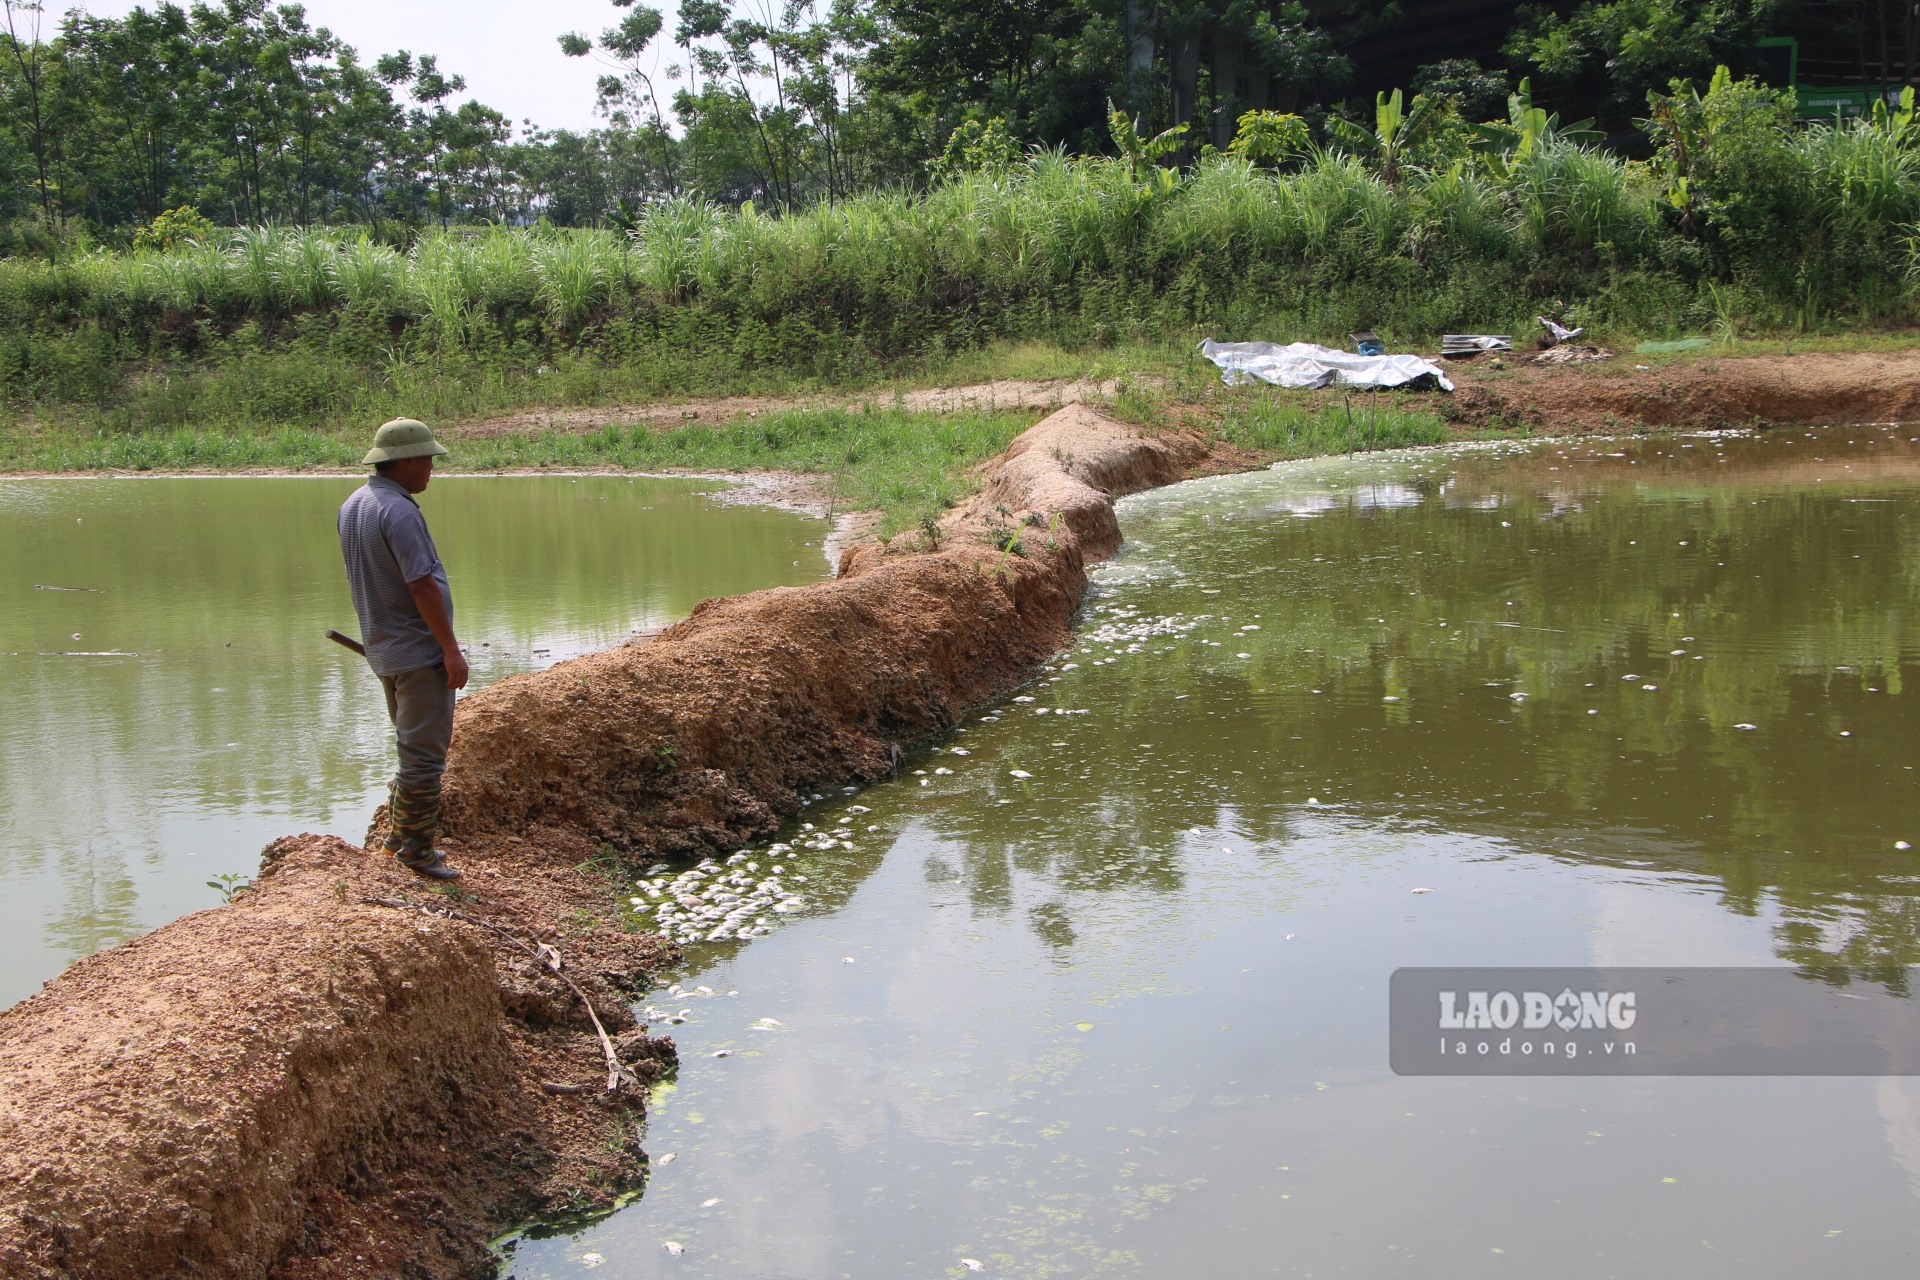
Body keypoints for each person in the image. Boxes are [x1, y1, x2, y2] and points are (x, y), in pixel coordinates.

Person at [337, 418, 469, 880]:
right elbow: (421, 585)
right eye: (428, 460)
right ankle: (416, 850)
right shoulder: (399, 511)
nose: (432, 469)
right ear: (407, 460)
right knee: (423, 758)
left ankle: (397, 837)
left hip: (384, 650)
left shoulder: (355, 504)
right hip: (417, 653)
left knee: (410, 747)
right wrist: (450, 650)